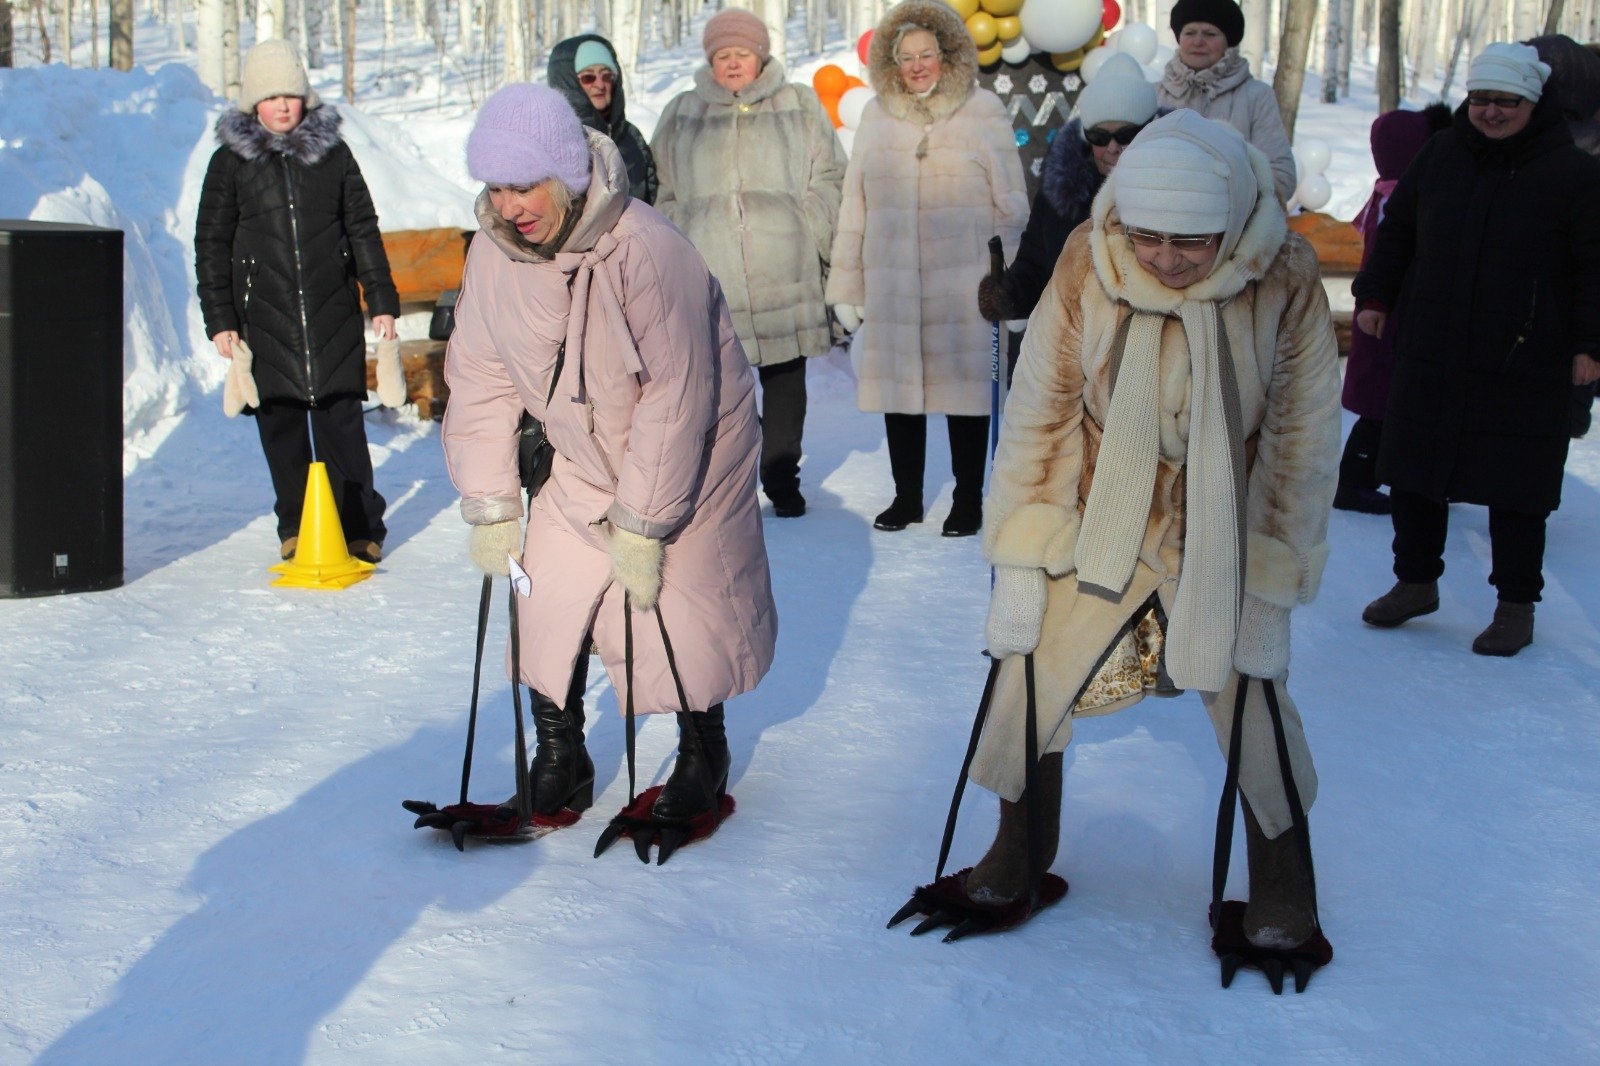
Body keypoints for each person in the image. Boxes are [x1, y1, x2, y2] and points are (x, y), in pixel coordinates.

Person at [901, 112, 1340, 971]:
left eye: (1191, 243)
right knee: (1029, 674)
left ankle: (1285, 881)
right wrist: (1023, 555)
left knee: (1254, 701)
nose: (1167, 261)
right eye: (1148, 239)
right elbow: (1043, 408)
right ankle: (1017, 855)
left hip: (1226, 516)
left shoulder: (1281, 274)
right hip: (1102, 508)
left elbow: (1300, 441)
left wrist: (1271, 583)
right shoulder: (1084, 258)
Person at [441, 84, 776, 850]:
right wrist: (490, 501)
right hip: (586, 454)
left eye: (525, 184)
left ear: (565, 175)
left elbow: (679, 396)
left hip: (696, 453)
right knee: (544, 592)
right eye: (495, 185)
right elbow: (481, 378)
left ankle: (703, 754)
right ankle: (561, 762)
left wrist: (643, 524)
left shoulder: (647, 249)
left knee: (679, 603)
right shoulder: (493, 255)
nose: (510, 203)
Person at [1353, 43, 1600, 657]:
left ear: (1533, 102)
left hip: (1526, 355)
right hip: (1433, 344)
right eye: (1481, 99)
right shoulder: (1441, 155)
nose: (1491, 112)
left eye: (1506, 101)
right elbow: (1399, 230)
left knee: (1518, 486)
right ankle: (1416, 583)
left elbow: (1596, 268)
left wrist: (1591, 345)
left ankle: (1516, 605)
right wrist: (1376, 295)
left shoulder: (1572, 173)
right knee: (1414, 470)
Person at [827, 0, 1028, 537]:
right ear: (892, 64)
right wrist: (848, 282)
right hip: (891, 277)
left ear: (948, 55)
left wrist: (1010, 282)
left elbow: (1011, 203)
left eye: (927, 54)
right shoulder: (875, 116)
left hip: (964, 283)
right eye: (906, 56)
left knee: (966, 394)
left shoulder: (982, 111)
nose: (917, 66)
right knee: (901, 395)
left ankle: (968, 499)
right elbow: (855, 205)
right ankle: (907, 497)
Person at [195, 38, 398, 564]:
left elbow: (363, 229)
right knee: (282, 431)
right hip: (264, 322)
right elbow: (211, 244)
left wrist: (381, 299)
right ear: (252, 104)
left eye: (292, 94)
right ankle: (295, 525)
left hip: (332, 316)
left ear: (306, 99)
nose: (283, 105)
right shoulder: (229, 164)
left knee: (342, 429)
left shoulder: (334, 156)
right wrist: (220, 318)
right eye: (271, 96)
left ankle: (360, 527)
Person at [651, 8, 847, 518]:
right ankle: (724, 482)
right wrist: (679, 236)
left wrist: (811, 223)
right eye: (722, 56)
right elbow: (660, 189)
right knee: (715, 386)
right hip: (710, 277)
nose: (733, 64)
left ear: (759, 58)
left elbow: (830, 174)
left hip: (785, 269)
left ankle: (782, 478)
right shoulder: (681, 113)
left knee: (785, 379)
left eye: (741, 54)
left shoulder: (799, 104)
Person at [977, 52, 1158, 327]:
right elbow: (1036, 268)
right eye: (1100, 136)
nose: (1112, 147)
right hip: (1073, 349)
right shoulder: (1060, 193)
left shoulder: (1176, 191)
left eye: (1126, 135)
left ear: (1149, 131)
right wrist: (1009, 293)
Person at [1335, 103, 1451, 515]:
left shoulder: (1386, 192)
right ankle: (1355, 479)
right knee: (1381, 408)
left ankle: (1370, 476)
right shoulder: (1402, 198)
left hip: (1386, 315)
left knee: (1387, 404)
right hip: (1389, 318)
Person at [1157, 0, 1296, 204]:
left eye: (1210, 34)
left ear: (1228, 41)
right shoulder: (1154, 94)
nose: (1198, 41)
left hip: (1235, 226)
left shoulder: (1256, 96)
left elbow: (1282, 176)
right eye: (1189, 32)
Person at [547, 34, 657, 204]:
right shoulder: (550, 144)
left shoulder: (631, 137)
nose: (600, 84)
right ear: (568, 83)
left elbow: (651, 202)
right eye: (588, 77)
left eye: (606, 76)